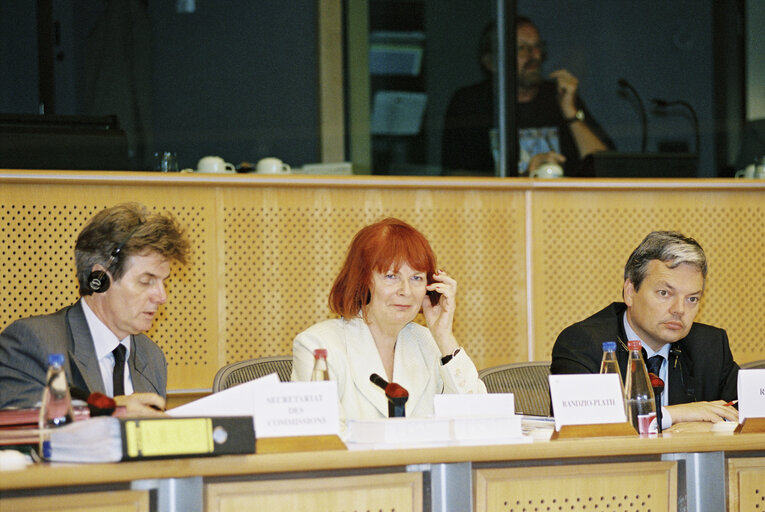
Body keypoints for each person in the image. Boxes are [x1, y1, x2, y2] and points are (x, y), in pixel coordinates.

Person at [291, 218, 486, 427]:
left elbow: (481, 421)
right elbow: (323, 440)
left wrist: (444, 336)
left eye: (417, 278)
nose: (406, 291)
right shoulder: (318, 346)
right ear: (363, 280)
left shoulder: (430, 344)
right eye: (392, 276)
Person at [0, 202, 191, 415]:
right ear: (100, 280)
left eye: (164, 282)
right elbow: (17, 421)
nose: (162, 297)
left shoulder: (151, 357)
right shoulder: (34, 341)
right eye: (146, 281)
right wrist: (113, 411)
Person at [551, 231, 739, 426]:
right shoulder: (583, 343)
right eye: (664, 293)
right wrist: (670, 416)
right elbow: (578, 423)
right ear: (630, 292)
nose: (679, 310)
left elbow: (744, 412)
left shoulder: (710, 346)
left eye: (692, 299)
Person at [442, 17, 612, 176]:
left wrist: (570, 112)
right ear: (491, 62)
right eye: (521, 48)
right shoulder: (470, 103)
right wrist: (526, 179)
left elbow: (606, 171)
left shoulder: (557, 95)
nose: (534, 55)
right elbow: (457, 178)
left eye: (537, 46)